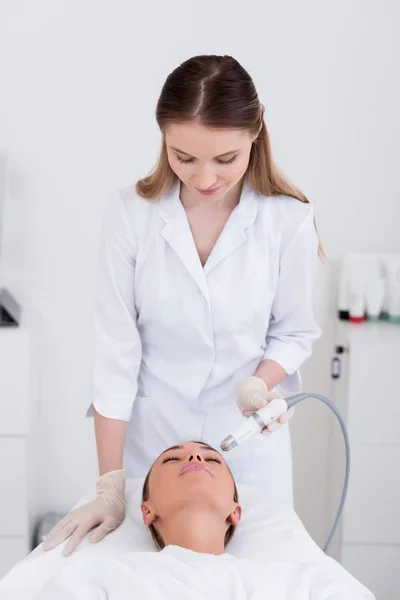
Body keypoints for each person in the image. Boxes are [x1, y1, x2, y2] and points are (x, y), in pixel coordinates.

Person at [43, 54, 321, 557]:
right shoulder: (131, 214)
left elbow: (295, 333)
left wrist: (261, 382)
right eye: (184, 157)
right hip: (154, 447)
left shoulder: (287, 222)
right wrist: (110, 483)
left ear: (256, 132)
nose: (205, 177)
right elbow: (116, 354)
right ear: (163, 139)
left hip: (247, 449)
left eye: (225, 159)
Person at [37, 443, 373, 599]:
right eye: (173, 459)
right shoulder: (100, 576)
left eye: (212, 458)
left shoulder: (306, 581)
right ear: (147, 510)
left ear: (235, 512)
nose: (196, 457)